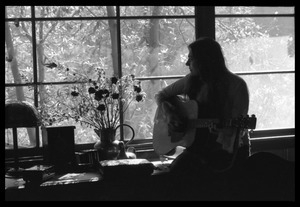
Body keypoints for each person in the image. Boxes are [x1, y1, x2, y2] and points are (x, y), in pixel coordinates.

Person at [155, 37, 250, 177]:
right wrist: (171, 114)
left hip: (228, 153)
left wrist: (223, 129)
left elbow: (237, 130)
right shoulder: (191, 80)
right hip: (199, 149)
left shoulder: (236, 86)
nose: (187, 63)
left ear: (205, 60)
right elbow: (161, 95)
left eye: (191, 58)